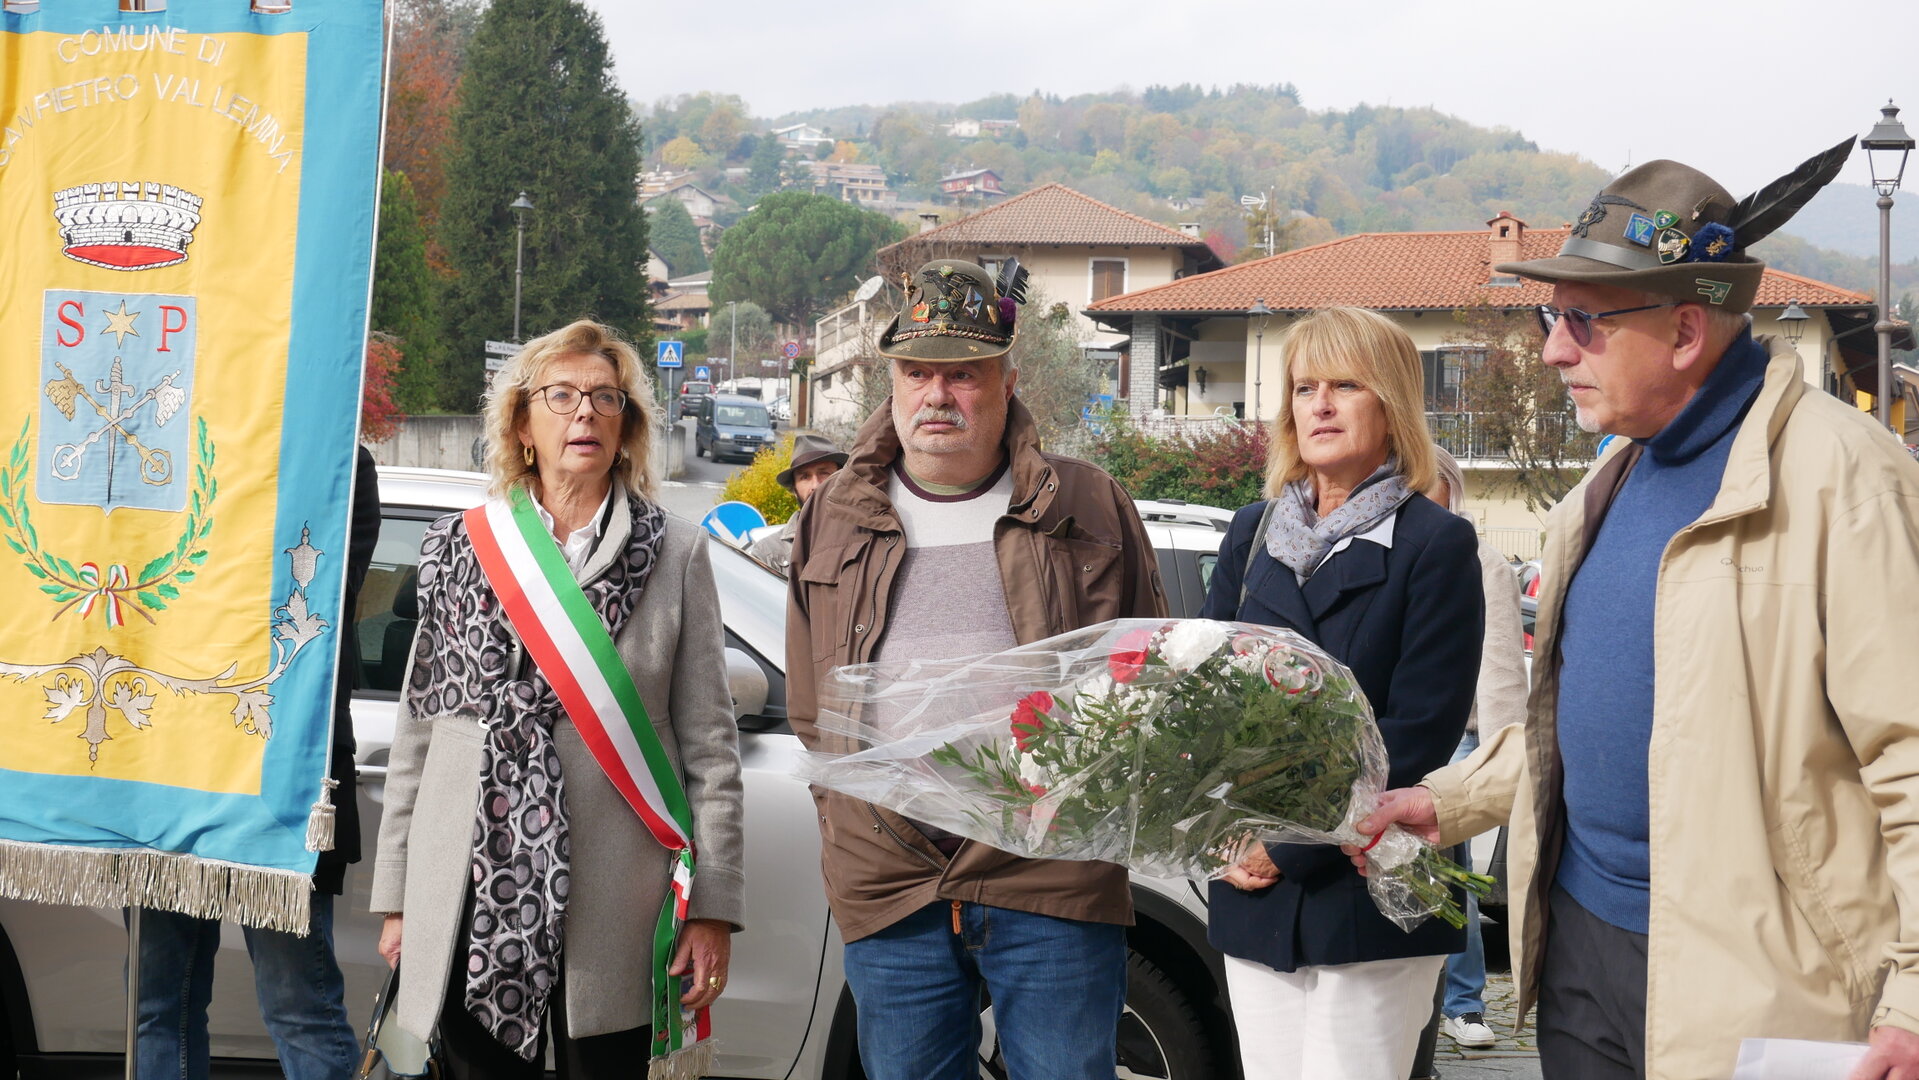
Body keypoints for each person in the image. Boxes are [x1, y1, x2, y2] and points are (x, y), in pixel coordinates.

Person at [1349, 149, 1919, 1080]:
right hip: (1580, 952)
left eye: (1582, 321)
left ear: (1685, 329)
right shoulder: (1604, 485)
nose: (1552, 350)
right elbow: (1582, 720)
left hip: (1762, 985)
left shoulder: (1848, 481)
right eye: (1551, 318)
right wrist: (1446, 800)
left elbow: (1911, 755)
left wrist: (1913, 1002)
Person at [785, 259, 1166, 1080]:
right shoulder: (832, 514)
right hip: (892, 877)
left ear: (1007, 383)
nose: (937, 395)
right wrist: (847, 822)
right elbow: (811, 705)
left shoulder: (1087, 503)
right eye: (917, 373)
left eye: (963, 374)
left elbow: (1146, 679)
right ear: (892, 383)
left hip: (1052, 869)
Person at [370, 320, 746, 1080]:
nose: (586, 414)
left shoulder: (676, 552)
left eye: (606, 398)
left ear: (626, 426)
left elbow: (711, 746)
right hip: (471, 885)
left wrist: (711, 908)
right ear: (522, 424)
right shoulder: (460, 546)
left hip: (616, 900)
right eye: (562, 396)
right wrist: (401, 896)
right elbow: (420, 733)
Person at [1198, 306, 1485, 1080]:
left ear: (1390, 403)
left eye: (1345, 386)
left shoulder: (1435, 543)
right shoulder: (1251, 533)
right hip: (1251, 886)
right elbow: (1203, 700)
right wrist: (1215, 828)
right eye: (1304, 387)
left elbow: (1416, 732)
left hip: (1366, 891)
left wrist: (1285, 847)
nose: (1319, 405)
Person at [132, 446, 379, 1080]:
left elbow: (320, 601)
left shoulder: (332, 452)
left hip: (281, 773)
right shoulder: (170, 448)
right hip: (167, 763)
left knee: (298, 1006)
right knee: (156, 1006)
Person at [1426, 446, 1528, 1052]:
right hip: (1394, 734)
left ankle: (1462, 1003)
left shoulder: (1482, 561)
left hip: (1457, 739)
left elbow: (1501, 665)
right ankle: (1424, 1005)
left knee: (1447, 869)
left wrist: (1499, 758)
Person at [749, 433, 845, 575]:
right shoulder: (768, 552)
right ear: (794, 489)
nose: (815, 485)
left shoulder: (864, 539)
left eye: (824, 473)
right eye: (805, 477)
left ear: (842, 480)